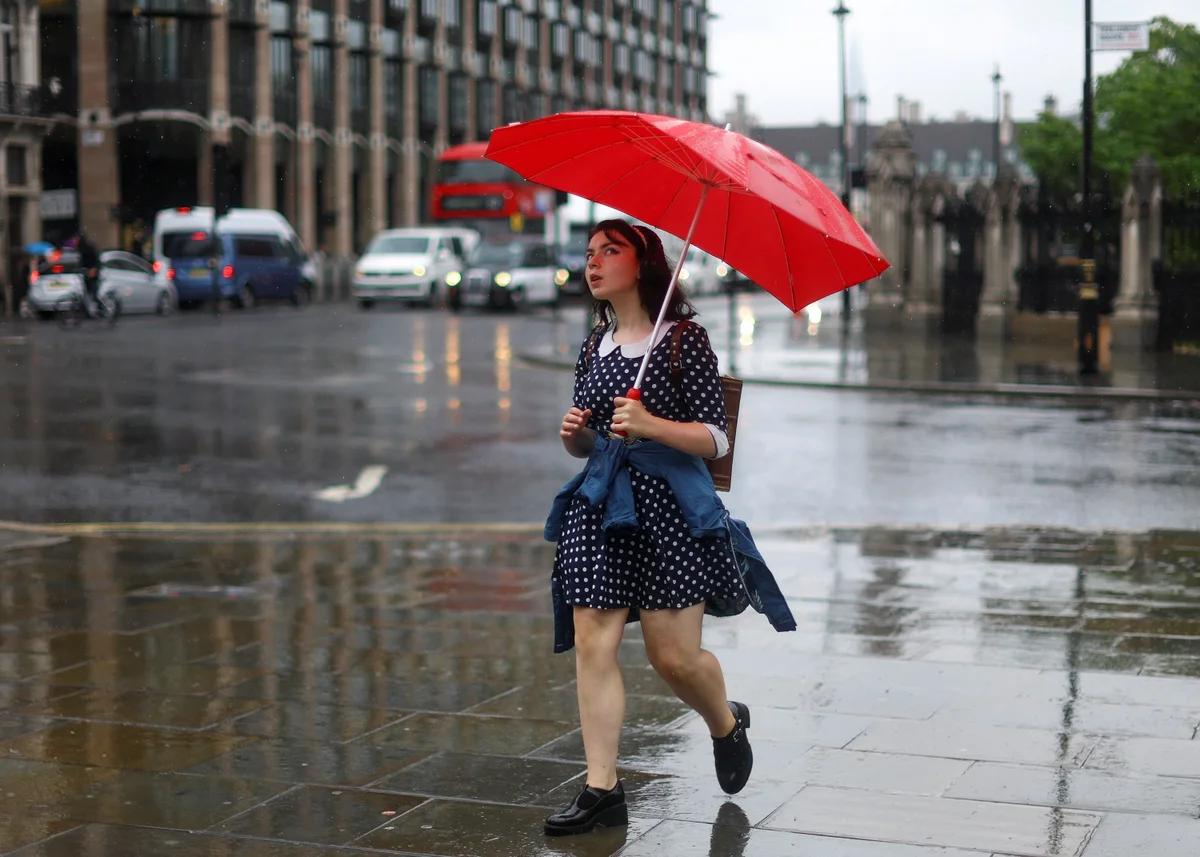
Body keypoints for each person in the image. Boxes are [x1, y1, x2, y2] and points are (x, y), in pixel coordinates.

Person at [543, 220, 795, 837]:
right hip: (603, 508)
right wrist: (579, 438)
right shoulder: (594, 344)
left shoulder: (684, 340)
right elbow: (594, 443)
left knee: (673, 657)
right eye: (589, 254)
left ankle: (725, 721)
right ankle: (602, 788)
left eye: (610, 251)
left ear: (644, 265)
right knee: (594, 643)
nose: (594, 263)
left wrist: (652, 424)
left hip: (671, 514)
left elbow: (715, 437)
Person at [76, 231, 101, 316]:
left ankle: (98, 310)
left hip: (93, 273)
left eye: (77, 239)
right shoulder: (80, 249)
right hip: (86, 273)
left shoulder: (89, 247)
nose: (76, 240)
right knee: (87, 292)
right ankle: (88, 311)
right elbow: (82, 263)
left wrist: (93, 269)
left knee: (93, 293)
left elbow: (95, 260)